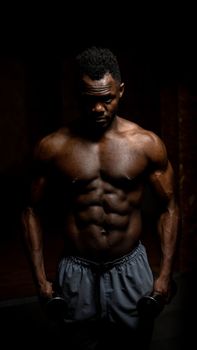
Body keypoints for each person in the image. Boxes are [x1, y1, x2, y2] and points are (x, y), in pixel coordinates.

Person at [22, 46, 179, 349]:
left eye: (107, 98)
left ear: (121, 90)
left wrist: (164, 275)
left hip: (130, 266)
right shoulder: (53, 147)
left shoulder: (146, 145)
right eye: (89, 100)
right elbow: (30, 210)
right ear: (76, 94)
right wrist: (40, 280)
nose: (98, 109)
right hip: (77, 268)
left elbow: (169, 208)